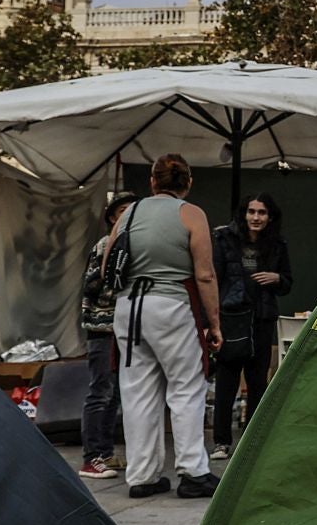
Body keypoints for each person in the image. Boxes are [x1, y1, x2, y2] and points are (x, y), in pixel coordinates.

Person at [105, 153, 221, 499]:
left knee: (137, 392)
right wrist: (214, 323)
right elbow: (204, 273)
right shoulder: (191, 214)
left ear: (152, 181)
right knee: (186, 387)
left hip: (128, 308)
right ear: (187, 183)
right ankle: (193, 471)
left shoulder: (128, 214)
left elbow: (107, 266)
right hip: (170, 305)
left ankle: (142, 476)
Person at [210, 193, 291, 461]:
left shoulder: (278, 244)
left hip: (263, 318)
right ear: (243, 214)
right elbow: (214, 277)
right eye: (252, 211)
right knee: (226, 381)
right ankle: (221, 441)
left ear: (270, 217)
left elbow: (289, 282)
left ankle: (249, 440)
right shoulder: (223, 238)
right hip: (231, 317)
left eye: (262, 212)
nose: (256, 217)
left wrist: (276, 277)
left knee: (258, 381)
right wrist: (211, 320)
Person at [76, 191, 137, 479]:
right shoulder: (105, 245)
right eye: (122, 210)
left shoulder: (129, 244)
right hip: (102, 327)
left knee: (113, 393)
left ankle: (105, 453)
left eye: (132, 210)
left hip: (119, 327)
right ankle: (92, 457)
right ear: (112, 216)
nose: (127, 215)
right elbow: (92, 287)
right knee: (101, 391)